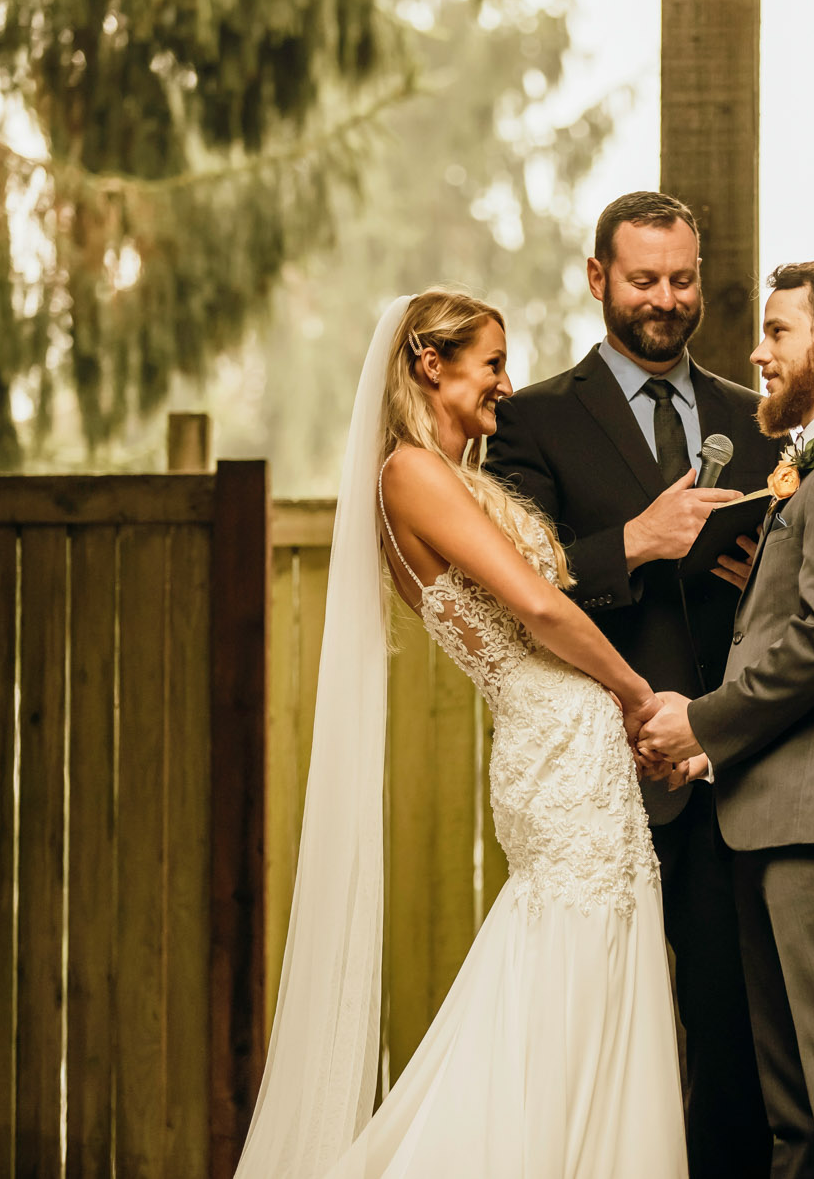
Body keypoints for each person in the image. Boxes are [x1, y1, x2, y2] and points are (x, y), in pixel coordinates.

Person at [235, 289, 686, 1178]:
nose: (507, 385)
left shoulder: (461, 478)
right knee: (562, 964)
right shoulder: (409, 474)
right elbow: (533, 605)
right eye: (491, 364)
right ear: (429, 364)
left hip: (566, 742)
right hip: (553, 743)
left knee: (590, 955)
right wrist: (636, 693)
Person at [486, 191, 777, 1175]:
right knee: (591, 1029)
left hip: (727, 773)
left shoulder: (757, 421)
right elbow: (511, 584)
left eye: (682, 279)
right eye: (644, 278)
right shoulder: (530, 422)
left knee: (727, 1042)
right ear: (597, 278)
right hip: (599, 778)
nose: (665, 298)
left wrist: (763, 580)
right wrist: (632, 544)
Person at [637, 259, 814, 1179]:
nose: (757, 353)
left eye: (777, 331)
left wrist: (706, 723)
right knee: (794, 1114)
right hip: (773, 820)